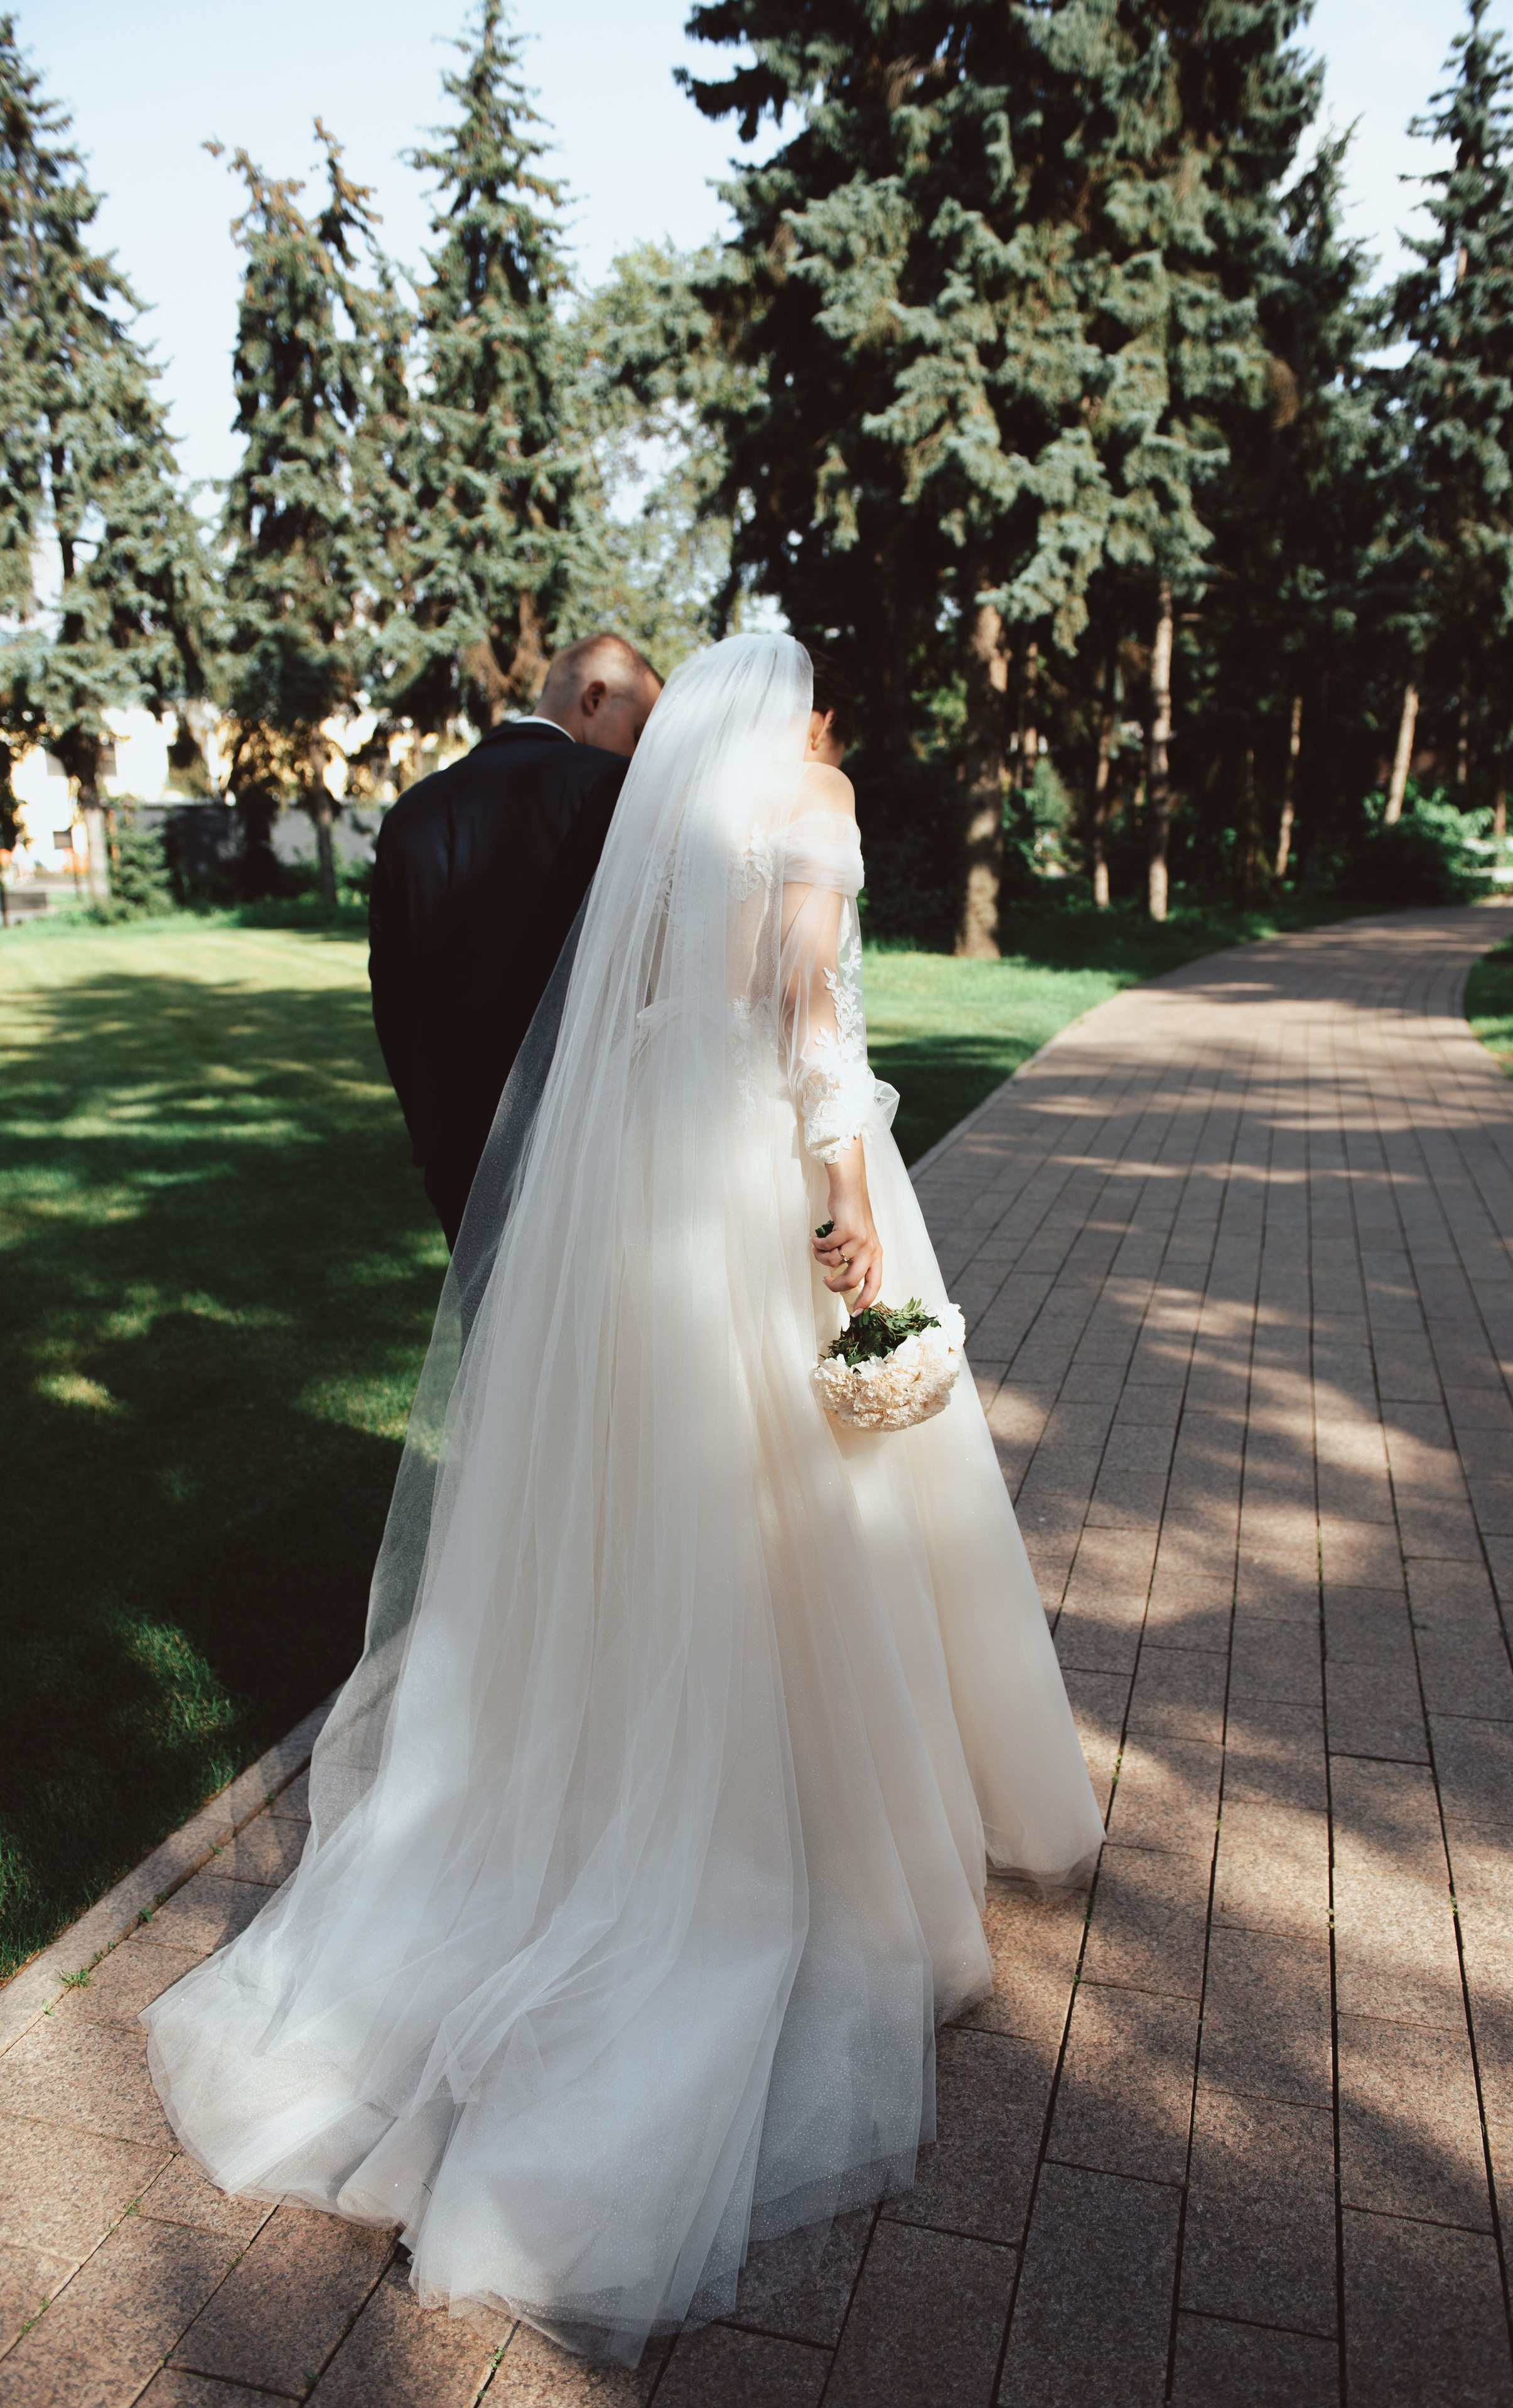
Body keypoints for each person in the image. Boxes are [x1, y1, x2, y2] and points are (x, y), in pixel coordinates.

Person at [143, 634, 1104, 2367]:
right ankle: (807, 1845)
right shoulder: (808, 801)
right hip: (765, 1167)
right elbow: (811, 1009)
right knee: (817, 1505)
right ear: (799, 713)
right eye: (823, 698)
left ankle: (612, 1790)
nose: (827, 720)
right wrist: (843, 1190)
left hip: (651, 1179)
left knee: (667, 1517)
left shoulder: (665, 821)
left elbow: (656, 1001)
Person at [368, 632, 663, 1246]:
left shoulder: (413, 811)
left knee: (486, 1337)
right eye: (638, 732)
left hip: (455, 1142)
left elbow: (392, 995)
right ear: (595, 696)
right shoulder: (611, 792)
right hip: (580, 1132)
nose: (642, 756)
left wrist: (430, 1122)